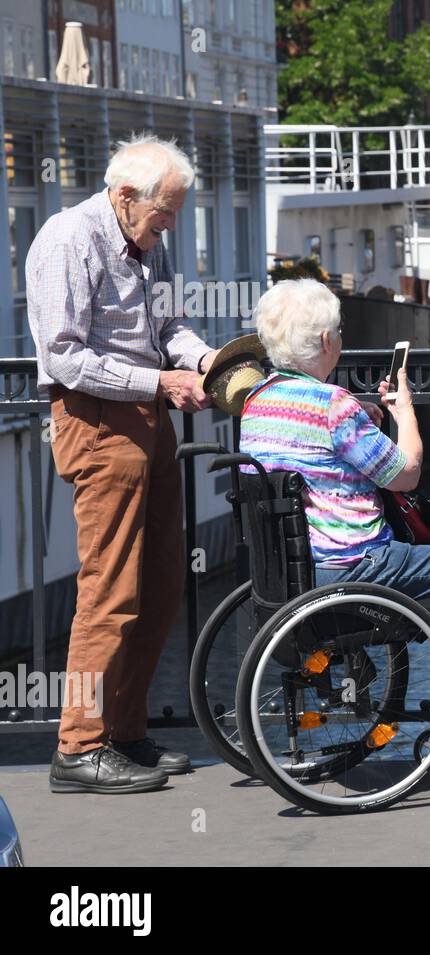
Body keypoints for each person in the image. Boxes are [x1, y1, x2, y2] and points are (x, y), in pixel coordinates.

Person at [237, 279, 430, 758]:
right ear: (326, 341)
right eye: (338, 331)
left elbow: (316, 454)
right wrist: (404, 413)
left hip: (291, 574)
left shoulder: (256, 404)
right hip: (356, 567)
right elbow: (404, 475)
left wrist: (365, 420)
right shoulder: (332, 407)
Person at [29, 134, 219, 794]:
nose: (170, 226)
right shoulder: (66, 239)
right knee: (108, 591)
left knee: (160, 584)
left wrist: (204, 362)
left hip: (147, 423)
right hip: (97, 423)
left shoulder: (145, 244)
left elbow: (170, 331)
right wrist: (155, 384)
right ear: (124, 196)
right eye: (164, 212)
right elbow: (63, 357)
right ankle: (78, 748)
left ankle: (124, 732)